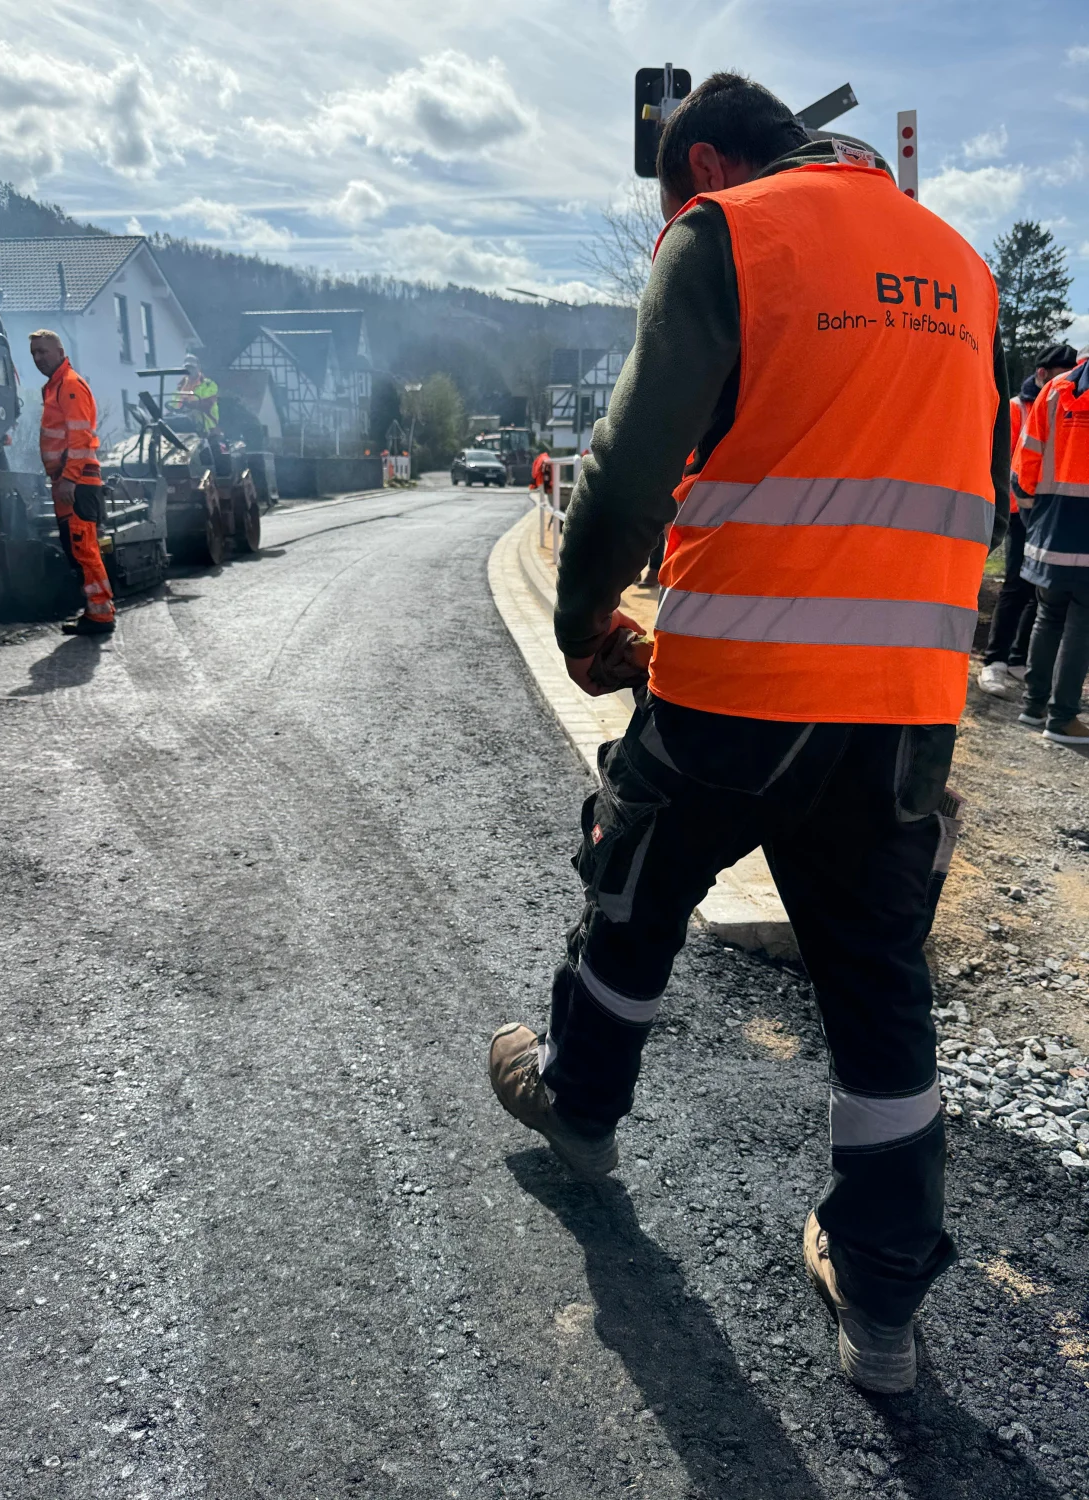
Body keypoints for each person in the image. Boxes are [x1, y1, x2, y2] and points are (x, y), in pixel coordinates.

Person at [488, 72, 1009, 1396]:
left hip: (740, 687)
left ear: (704, 163)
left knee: (635, 871)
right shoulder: (960, 267)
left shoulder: (727, 233)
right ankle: (883, 1302)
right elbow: (964, 495)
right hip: (904, 713)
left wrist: (584, 615)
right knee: (877, 980)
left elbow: (626, 461)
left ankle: (582, 1103)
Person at [978, 343, 1079, 698]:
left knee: (1040, 593)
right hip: (1020, 511)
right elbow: (1004, 459)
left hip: (1049, 514)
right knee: (1014, 586)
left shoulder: (1066, 403)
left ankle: (1019, 659)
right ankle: (995, 660)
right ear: (1042, 374)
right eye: (1060, 371)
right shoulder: (1016, 409)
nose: (1068, 376)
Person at [1016, 351, 1089, 744]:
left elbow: (1025, 461)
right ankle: (1061, 718)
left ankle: (1033, 705)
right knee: (1081, 627)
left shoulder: (1054, 391)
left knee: (1049, 616)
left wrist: (1034, 519)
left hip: (1051, 529)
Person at [30, 330, 115, 637]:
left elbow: (79, 438)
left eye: (43, 352)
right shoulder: (55, 387)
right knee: (77, 549)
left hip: (75, 482)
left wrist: (68, 478)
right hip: (67, 482)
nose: (38, 358)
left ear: (59, 351)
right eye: (34, 354)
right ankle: (94, 610)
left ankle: (101, 615)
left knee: (84, 548)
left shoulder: (68, 386)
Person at [173, 354, 219, 434]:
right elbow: (174, 405)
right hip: (184, 425)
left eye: (192, 368)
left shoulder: (209, 384)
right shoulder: (180, 386)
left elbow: (206, 405)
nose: (189, 370)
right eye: (187, 368)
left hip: (206, 425)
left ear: (198, 368)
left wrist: (189, 404)